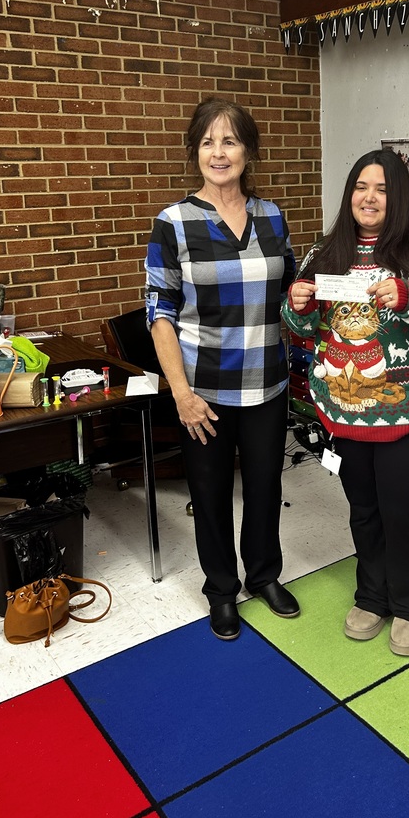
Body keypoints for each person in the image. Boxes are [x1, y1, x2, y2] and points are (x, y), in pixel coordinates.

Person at [283, 149, 409, 656]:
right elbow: (305, 328)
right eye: (361, 187)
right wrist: (296, 306)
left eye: (382, 189)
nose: (369, 197)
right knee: (364, 509)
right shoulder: (326, 253)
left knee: (403, 510)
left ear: (399, 196)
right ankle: (372, 594)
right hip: (344, 410)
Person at [145, 97, 299, 641]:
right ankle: (221, 589)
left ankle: (264, 576)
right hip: (203, 389)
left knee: (264, 486)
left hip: (268, 382)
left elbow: (288, 297)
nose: (219, 152)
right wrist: (181, 393)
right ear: (194, 153)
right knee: (209, 494)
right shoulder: (174, 224)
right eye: (208, 141)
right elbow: (160, 316)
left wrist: (306, 303)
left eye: (230, 140)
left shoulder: (273, 215)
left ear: (249, 151)